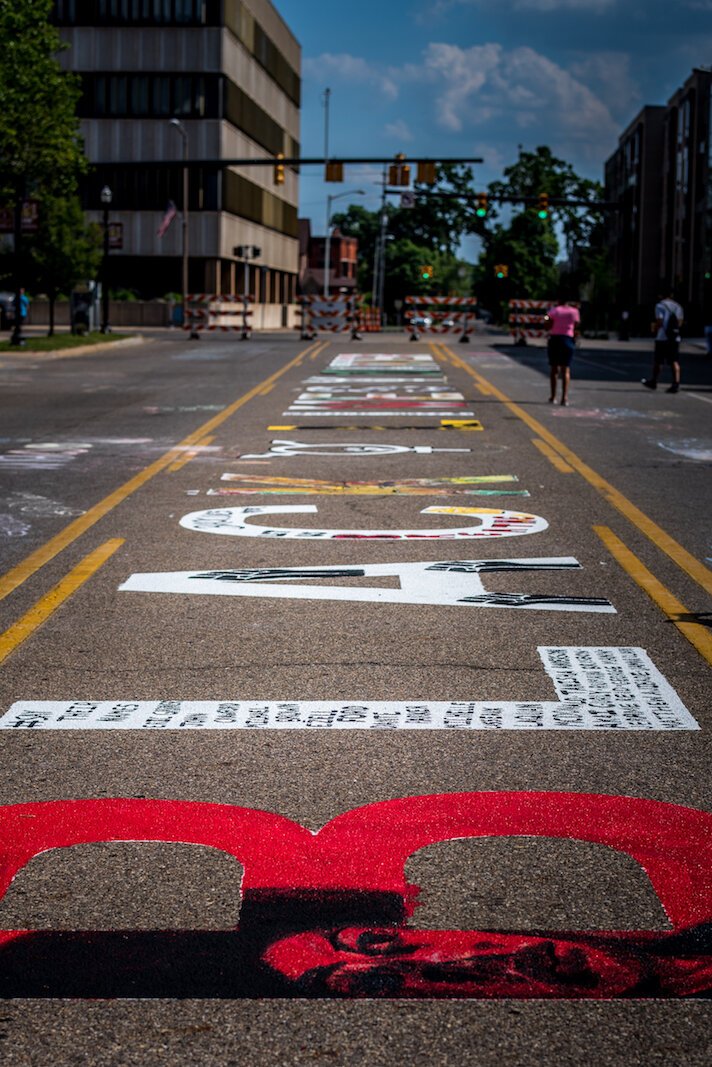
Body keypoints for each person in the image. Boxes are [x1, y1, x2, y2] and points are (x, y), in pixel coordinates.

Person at [642, 289, 684, 392]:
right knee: (674, 360)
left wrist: (654, 329)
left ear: (661, 295)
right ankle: (676, 383)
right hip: (674, 337)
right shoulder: (678, 306)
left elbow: (659, 321)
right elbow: (680, 322)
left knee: (658, 360)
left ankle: (654, 381)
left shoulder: (660, 306)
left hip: (662, 337)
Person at [546, 298, 580, 406]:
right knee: (566, 370)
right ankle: (564, 398)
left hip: (555, 339)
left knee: (554, 369)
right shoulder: (574, 311)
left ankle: (553, 396)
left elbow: (547, 321)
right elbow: (577, 324)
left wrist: (546, 317)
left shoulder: (554, 310)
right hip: (568, 340)